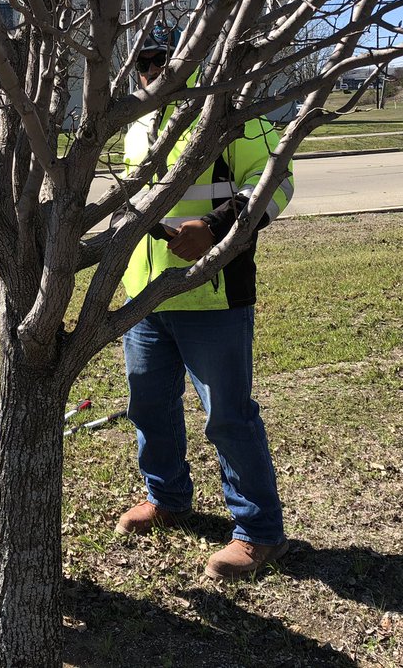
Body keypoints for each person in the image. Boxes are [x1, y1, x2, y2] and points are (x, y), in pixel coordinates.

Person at [116, 30, 295, 580]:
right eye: (141, 61)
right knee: (149, 407)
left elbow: (277, 184)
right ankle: (167, 497)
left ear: (187, 60)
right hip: (144, 297)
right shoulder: (139, 123)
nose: (149, 69)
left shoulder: (231, 114)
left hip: (213, 293)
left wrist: (215, 228)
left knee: (228, 417)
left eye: (159, 59)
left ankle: (258, 532)